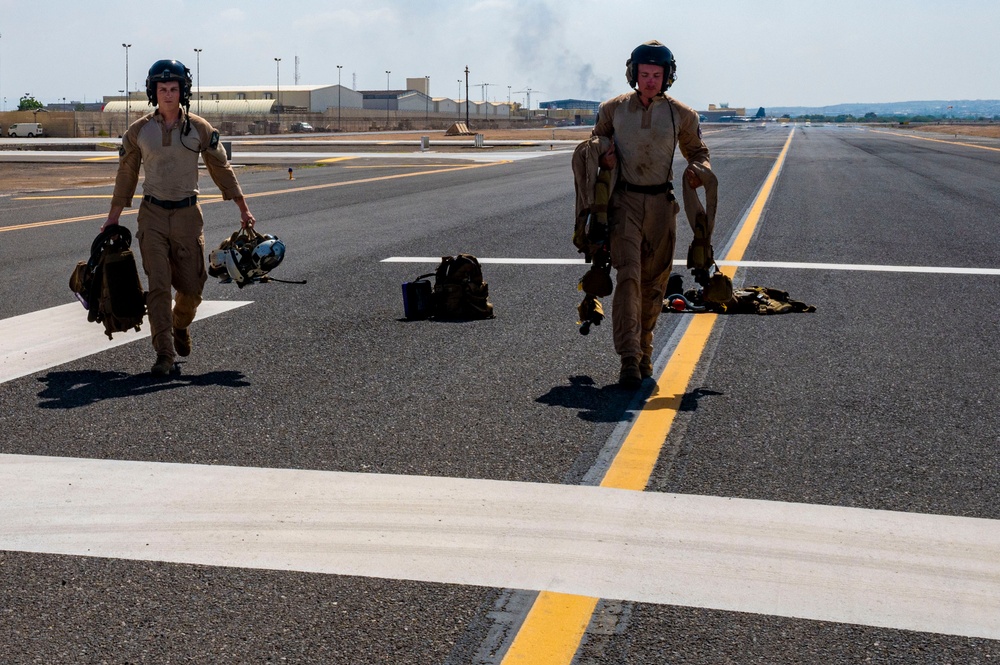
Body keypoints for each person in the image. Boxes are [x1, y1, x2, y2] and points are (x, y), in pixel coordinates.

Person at [101, 59, 255, 377]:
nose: (168, 95)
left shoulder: (199, 129)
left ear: (183, 91)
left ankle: (180, 325)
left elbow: (221, 169)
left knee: (193, 289)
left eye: (174, 89)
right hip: (152, 215)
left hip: (188, 215)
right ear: (153, 92)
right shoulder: (139, 131)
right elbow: (126, 173)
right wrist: (113, 217)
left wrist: (242, 207)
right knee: (158, 284)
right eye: (162, 89)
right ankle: (164, 354)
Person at [592, 40, 712, 388]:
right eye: (644, 74)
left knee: (655, 283)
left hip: (662, 206)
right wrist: (602, 156)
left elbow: (698, 152)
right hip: (624, 203)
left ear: (667, 77)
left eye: (656, 75)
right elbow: (594, 143)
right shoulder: (612, 109)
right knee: (628, 275)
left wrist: (698, 171)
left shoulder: (683, 114)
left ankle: (646, 348)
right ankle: (629, 358)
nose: (649, 81)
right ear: (633, 74)